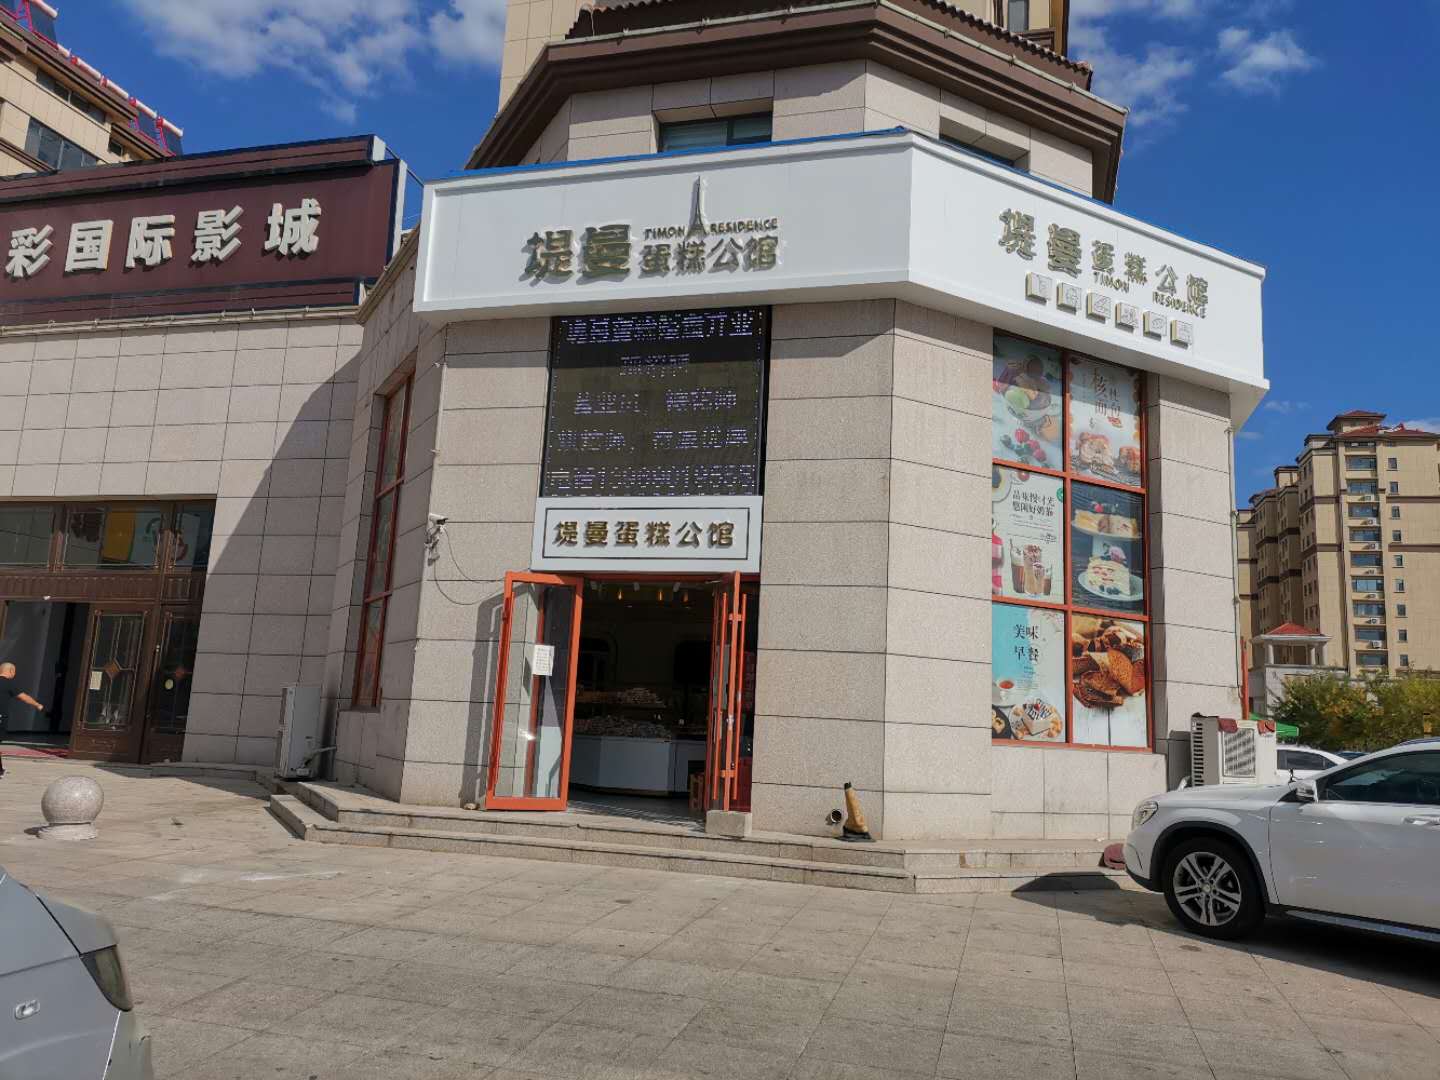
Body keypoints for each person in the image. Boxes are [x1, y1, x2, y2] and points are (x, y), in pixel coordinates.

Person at [0, 662, 45, 778]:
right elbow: (24, 697)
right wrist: (37, 705)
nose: (14, 674)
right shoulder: (8, 683)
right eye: (14, 671)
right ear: (11, 671)